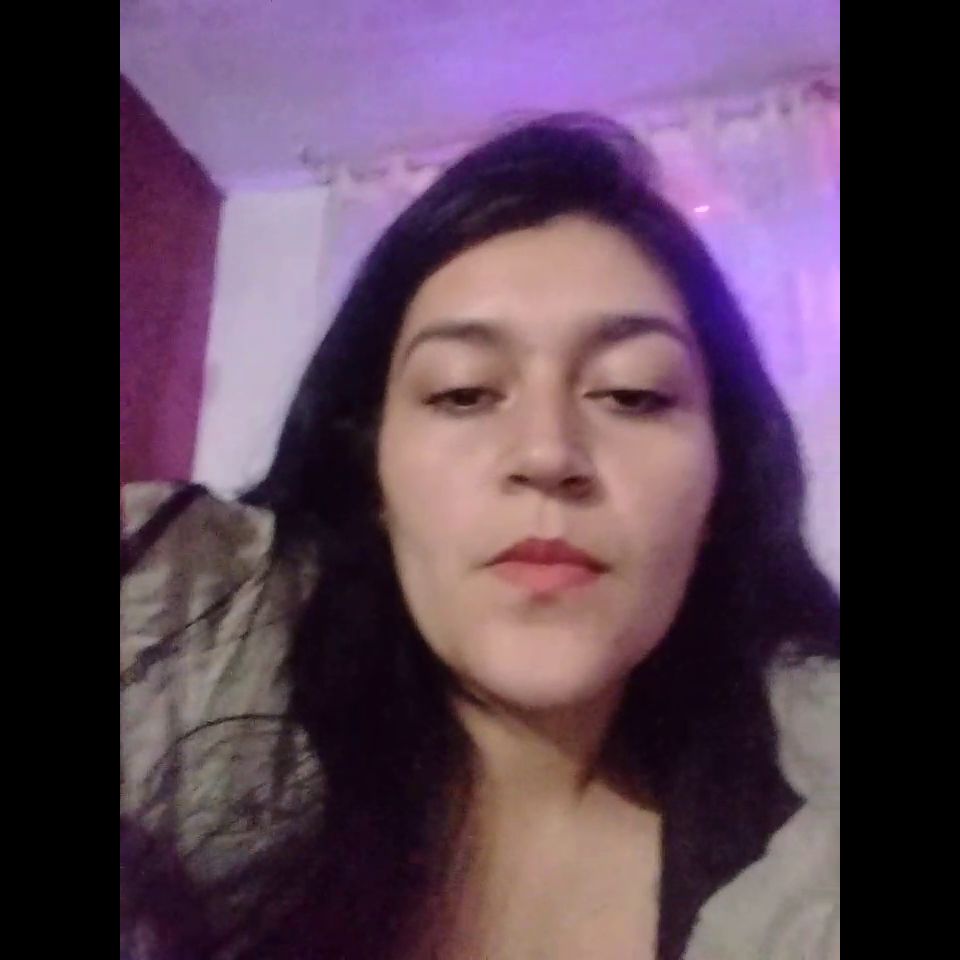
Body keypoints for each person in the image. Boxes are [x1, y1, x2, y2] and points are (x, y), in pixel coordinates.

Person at [120, 114, 840, 960]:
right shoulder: (172, 658)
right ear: (374, 478)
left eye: (634, 394)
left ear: (719, 488)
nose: (547, 454)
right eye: (463, 393)